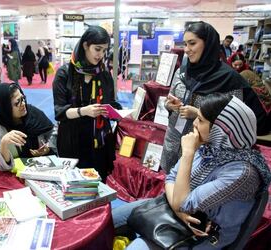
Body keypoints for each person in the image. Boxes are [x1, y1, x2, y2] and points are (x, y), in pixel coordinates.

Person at [113, 93, 271, 249]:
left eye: (201, 120)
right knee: (109, 219)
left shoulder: (243, 173)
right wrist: (180, 211)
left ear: (222, 130)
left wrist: (188, 153)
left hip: (204, 235)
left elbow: (184, 203)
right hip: (174, 212)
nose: (194, 123)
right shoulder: (209, 148)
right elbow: (170, 179)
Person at [160, 21, 268, 174]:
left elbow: (232, 123)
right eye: (185, 44)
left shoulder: (228, 79)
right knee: (170, 183)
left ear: (208, 44)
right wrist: (169, 105)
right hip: (174, 141)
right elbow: (168, 98)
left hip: (204, 152)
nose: (187, 50)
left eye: (192, 43)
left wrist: (197, 113)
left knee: (192, 194)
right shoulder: (183, 71)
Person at [52, 26, 121, 182]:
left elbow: (111, 103)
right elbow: (60, 112)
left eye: (104, 50)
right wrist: (84, 111)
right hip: (72, 142)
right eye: (97, 49)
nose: (101, 55)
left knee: (100, 186)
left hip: (100, 144)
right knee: (74, 188)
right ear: (85, 45)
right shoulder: (65, 73)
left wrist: (120, 112)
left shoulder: (103, 73)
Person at [0, 83, 54, 173]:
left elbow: (53, 132)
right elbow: (0, 165)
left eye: (23, 98)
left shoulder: (33, 113)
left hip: (36, 169)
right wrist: (4, 143)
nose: (23, 104)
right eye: (17, 103)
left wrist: (48, 147)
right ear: (5, 108)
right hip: (7, 175)